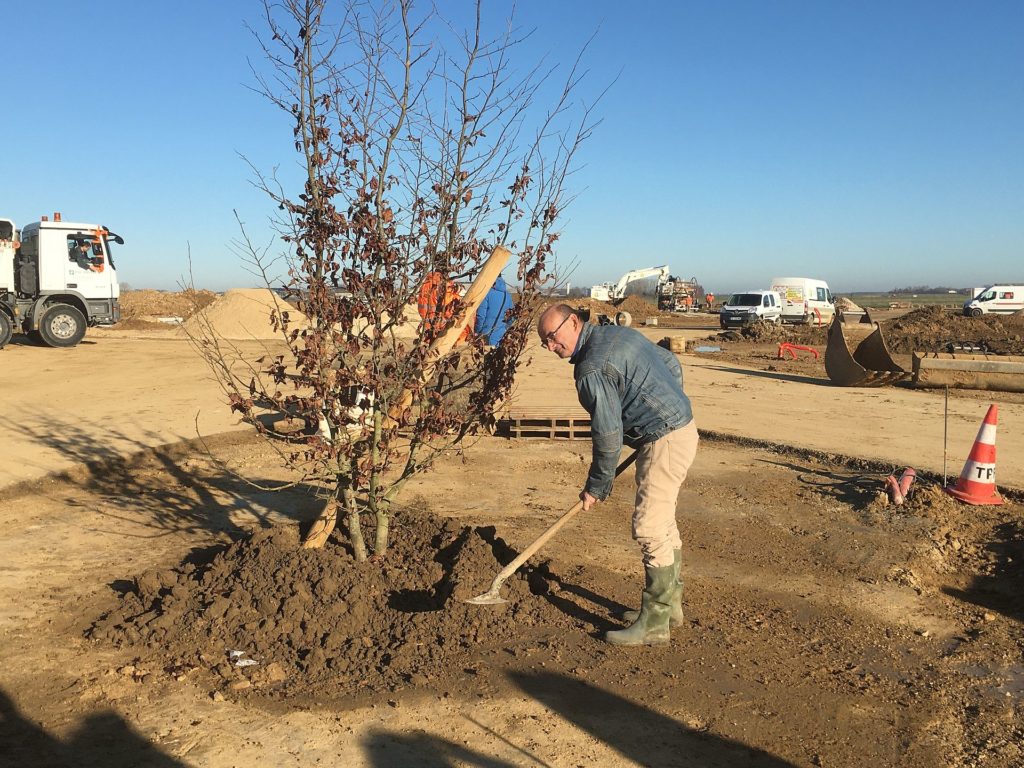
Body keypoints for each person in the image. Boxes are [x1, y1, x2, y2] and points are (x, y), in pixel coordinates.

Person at [536, 303, 698, 646]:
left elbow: (608, 434)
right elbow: (669, 362)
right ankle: (670, 607)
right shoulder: (616, 333)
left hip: (665, 438)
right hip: (679, 429)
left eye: (552, 337)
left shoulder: (590, 368)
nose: (551, 347)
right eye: (544, 342)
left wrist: (597, 485)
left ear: (574, 322)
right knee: (663, 521)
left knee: (649, 527)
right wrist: (667, 404)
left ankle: (655, 622)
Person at [417, 271, 472, 344]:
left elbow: (422, 308)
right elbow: (448, 309)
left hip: (429, 324)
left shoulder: (425, 285)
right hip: (441, 327)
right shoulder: (445, 285)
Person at [474, 275, 512, 346]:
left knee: (486, 355)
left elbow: (481, 316)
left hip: (487, 334)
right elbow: (511, 316)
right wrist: (505, 328)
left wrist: (477, 331)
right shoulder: (508, 296)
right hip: (502, 334)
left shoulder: (487, 294)